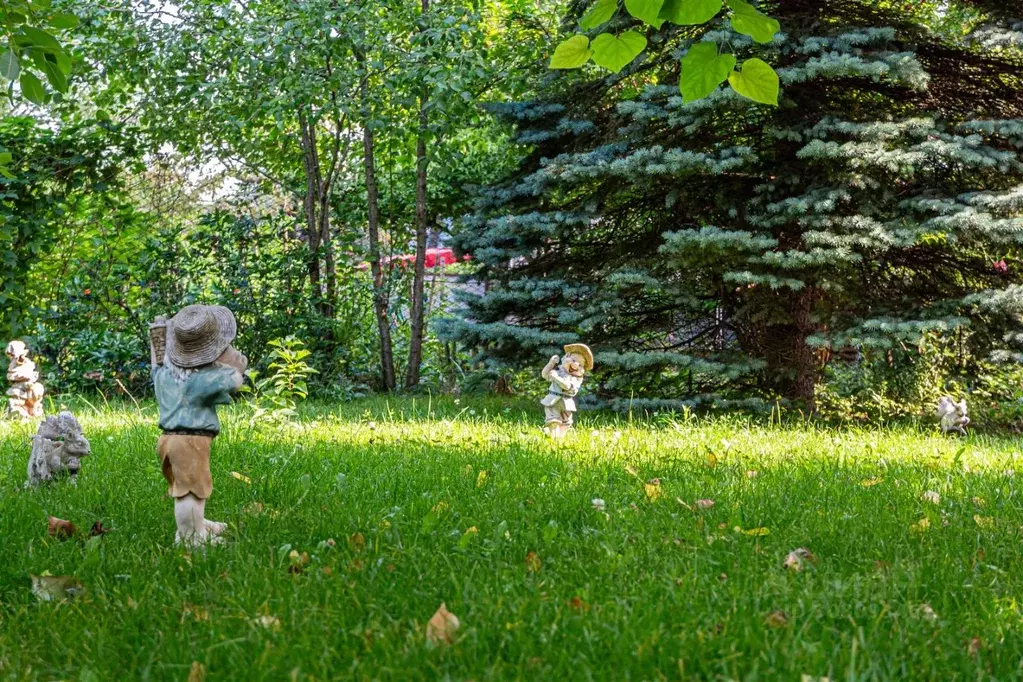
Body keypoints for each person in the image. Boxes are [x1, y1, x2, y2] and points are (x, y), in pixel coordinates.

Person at [151, 305, 247, 547]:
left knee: (182, 486)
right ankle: (190, 537)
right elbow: (235, 379)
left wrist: (158, 334)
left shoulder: (164, 375)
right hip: (190, 441)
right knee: (191, 491)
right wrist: (229, 358)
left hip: (167, 440)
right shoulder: (202, 379)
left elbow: (156, 364)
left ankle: (198, 523)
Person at [540, 343, 594, 438]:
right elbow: (544, 374)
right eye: (573, 360)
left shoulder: (577, 378)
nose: (576, 365)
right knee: (553, 420)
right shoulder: (558, 370)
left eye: (580, 364)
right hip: (552, 400)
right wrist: (551, 363)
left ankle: (560, 438)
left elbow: (567, 386)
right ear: (566, 357)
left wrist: (556, 377)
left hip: (567, 402)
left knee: (566, 422)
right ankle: (554, 438)